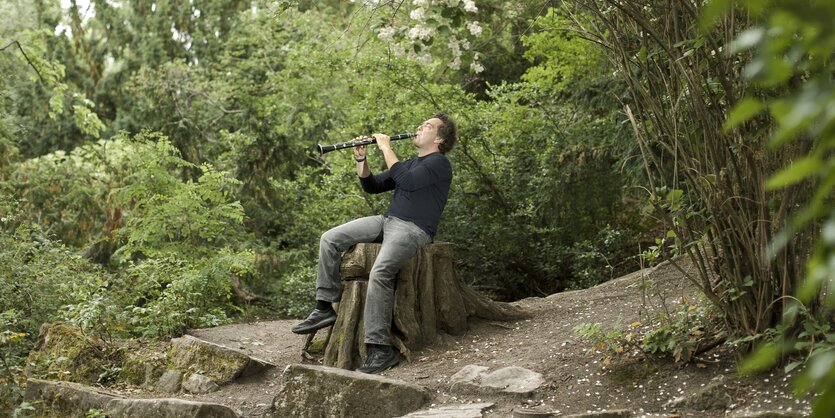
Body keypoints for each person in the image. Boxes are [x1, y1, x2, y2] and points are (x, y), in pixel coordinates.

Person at [291, 111, 457, 374]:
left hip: (413, 229)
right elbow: (373, 185)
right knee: (330, 239)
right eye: (422, 123)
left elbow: (407, 181)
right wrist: (361, 158)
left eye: (427, 126)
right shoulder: (412, 163)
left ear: (439, 139)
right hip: (388, 220)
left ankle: (380, 349)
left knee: (380, 271)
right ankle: (324, 306)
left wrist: (386, 147)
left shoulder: (438, 164)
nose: (419, 126)